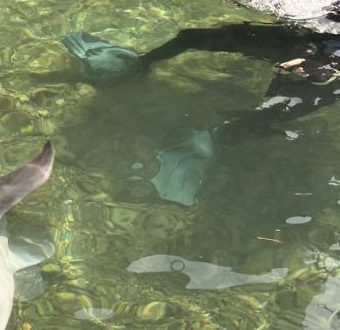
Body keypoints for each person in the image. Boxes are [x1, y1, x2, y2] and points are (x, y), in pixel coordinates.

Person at [63, 19, 340, 204]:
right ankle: (142, 62)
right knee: (194, 38)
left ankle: (212, 139)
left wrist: (320, 70)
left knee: (259, 116)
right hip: (313, 42)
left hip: (326, 71)